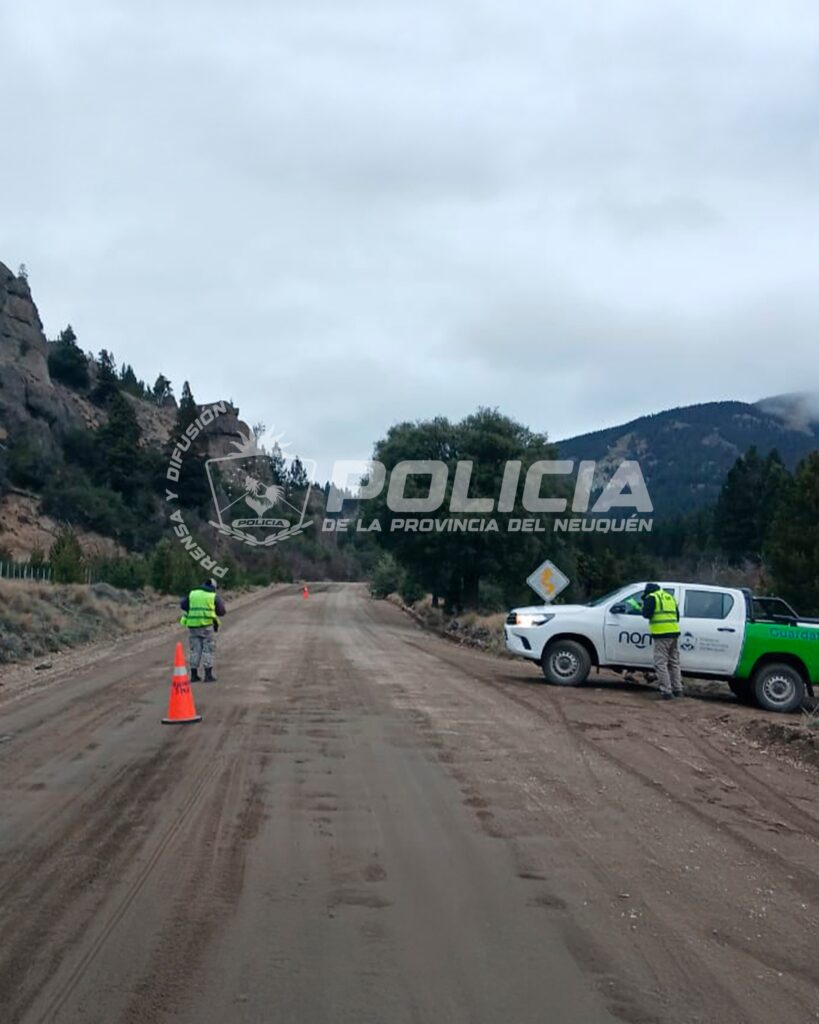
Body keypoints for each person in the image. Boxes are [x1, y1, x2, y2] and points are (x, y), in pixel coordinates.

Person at [641, 583, 683, 700]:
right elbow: (677, 617)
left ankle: (667, 691)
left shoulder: (652, 597)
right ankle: (678, 689)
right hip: (674, 633)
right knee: (674, 662)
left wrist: (642, 606)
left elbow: (646, 614)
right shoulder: (669, 597)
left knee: (660, 662)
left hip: (662, 635)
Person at [179, 578, 226, 682]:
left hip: (193, 626)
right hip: (206, 626)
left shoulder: (193, 594)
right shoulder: (212, 596)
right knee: (208, 650)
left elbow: (183, 605)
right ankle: (208, 675)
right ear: (213, 587)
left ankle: (194, 675)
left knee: (195, 650)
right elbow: (222, 611)